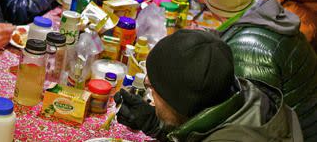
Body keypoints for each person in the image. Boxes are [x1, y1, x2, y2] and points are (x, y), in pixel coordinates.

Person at [115, 30, 303, 141]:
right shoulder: (246, 97)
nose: (147, 81)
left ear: (180, 103)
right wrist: (158, 125)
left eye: (154, 87)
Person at [202, 0, 317, 140]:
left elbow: (248, 122)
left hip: (299, 133)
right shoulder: (270, 13)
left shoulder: (247, 49)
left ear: (211, 6)